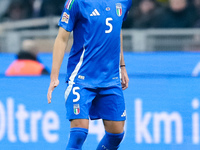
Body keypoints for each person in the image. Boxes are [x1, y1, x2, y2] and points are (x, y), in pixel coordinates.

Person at [47, 0, 131, 149]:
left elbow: (117, 30)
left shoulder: (123, 2)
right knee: (79, 133)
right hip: (81, 78)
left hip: (110, 79)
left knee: (116, 134)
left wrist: (122, 66)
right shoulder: (76, 2)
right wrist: (54, 76)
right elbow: (61, 38)